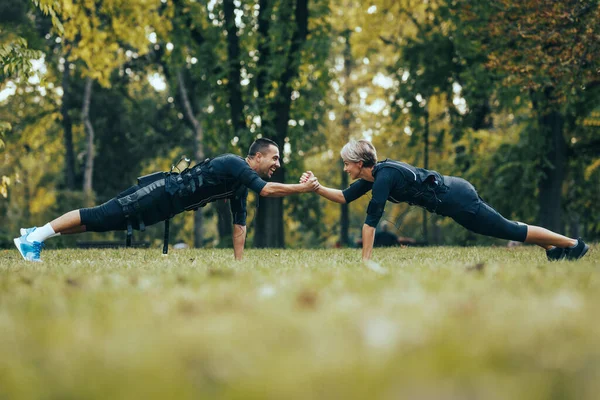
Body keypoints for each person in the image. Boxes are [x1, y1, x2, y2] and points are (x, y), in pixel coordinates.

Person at [14, 138, 320, 262]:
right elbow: (266, 192)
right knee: (99, 215)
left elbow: (239, 222)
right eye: (274, 157)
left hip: (163, 204)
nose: (277, 163)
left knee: (101, 225)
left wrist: (239, 264)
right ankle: (34, 239)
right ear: (256, 156)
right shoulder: (235, 164)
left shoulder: (238, 183)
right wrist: (303, 188)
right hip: (157, 192)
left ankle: (33, 235)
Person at [301, 139, 589, 262]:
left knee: (507, 229)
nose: (344, 169)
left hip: (457, 197)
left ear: (360, 162)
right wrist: (316, 188)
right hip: (454, 198)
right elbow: (342, 197)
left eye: (346, 164)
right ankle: (554, 249)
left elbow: (372, 220)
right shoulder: (372, 176)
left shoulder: (384, 176)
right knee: (504, 227)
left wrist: (365, 262)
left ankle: (574, 245)